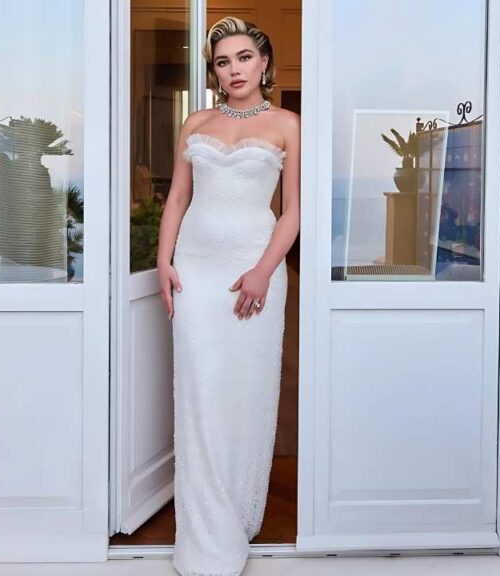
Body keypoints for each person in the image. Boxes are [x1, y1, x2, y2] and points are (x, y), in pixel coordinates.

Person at [155, 15, 300, 576]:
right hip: (195, 269)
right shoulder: (196, 121)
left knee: (244, 389)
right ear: (214, 72)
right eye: (223, 61)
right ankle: (203, 530)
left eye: (244, 57)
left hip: (253, 270)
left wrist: (265, 269)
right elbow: (176, 200)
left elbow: (294, 211)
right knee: (199, 388)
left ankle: (235, 513)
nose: (234, 69)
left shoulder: (288, 124)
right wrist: (164, 262)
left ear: (263, 62)